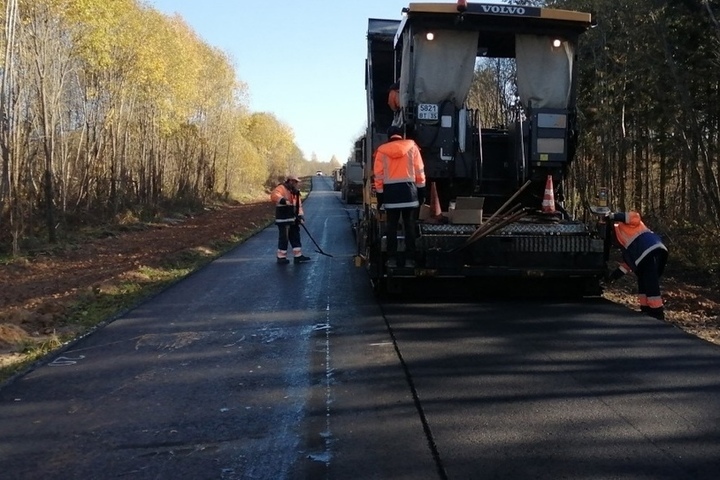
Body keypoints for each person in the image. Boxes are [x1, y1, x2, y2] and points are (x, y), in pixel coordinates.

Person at [373, 126, 426, 268]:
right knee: (409, 226)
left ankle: (391, 259)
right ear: (401, 135)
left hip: (391, 196)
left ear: (389, 137)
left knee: (391, 227)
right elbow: (420, 172)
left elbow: (378, 177)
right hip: (410, 195)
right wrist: (421, 193)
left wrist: (380, 198)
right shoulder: (412, 148)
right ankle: (410, 259)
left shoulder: (381, 152)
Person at [605, 211, 668, 320]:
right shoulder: (623, 243)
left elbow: (635, 217)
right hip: (647, 252)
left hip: (651, 249)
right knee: (643, 279)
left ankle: (657, 313)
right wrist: (613, 277)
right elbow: (628, 263)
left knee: (650, 281)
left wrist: (613, 215)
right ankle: (646, 309)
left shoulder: (622, 226)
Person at [270, 175, 311, 264]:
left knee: (295, 237)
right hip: (283, 219)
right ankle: (281, 258)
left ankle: (298, 256)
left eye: (297, 182)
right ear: (290, 181)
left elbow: (298, 205)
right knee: (284, 238)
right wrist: (283, 200)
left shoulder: (295, 192)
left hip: (293, 219)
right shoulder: (281, 188)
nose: (296, 184)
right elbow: (274, 195)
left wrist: (300, 216)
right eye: (295, 182)